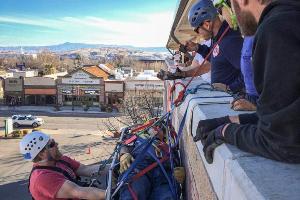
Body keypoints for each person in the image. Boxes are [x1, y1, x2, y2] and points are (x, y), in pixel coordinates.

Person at [193, 0, 300, 164]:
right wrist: (229, 119)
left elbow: (282, 142)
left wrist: (225, 131)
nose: (230, 13)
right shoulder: (289, 17)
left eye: (229, 3)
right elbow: (287, 114)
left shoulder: (277, 26)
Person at [19, 131, 105, 200]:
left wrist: (116, 166)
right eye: (52, 144)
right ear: (41, 154)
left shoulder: (60, 160)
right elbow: (80, 192)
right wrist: (112, 194)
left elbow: (86, 169)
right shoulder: (42, 178)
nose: (57, 144)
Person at [186, 0, 244, 94]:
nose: (198, 34)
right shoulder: (219, 38)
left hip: (232, 100)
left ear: (207, 24)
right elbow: (216, 57)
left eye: (197, 30)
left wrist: (230, 88)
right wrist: (198, 48)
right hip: (224, 98)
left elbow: (250, 71)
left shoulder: (230, 40)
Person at [118, 125, 185, 200]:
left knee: (167, 195)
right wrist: (123, 153)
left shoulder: (169, 147)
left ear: (164, 135)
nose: (157, 128)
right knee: (133, 192)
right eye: (155, 126)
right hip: (140, 170)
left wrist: (178, 172)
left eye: (160, 129)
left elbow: (175, 161)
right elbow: (125, 143)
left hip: (164, 177)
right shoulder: (138, 138)